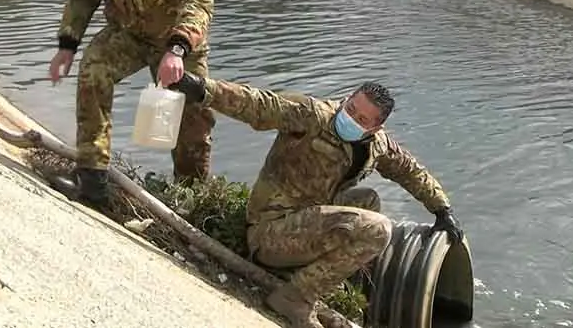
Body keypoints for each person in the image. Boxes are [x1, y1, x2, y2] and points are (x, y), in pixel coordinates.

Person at [169, 72, 464, 328]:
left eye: (361, 119)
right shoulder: (311, 115)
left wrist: (441, 208)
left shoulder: (377, 145)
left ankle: (318, 281)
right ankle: (294, 298)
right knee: (377, 229)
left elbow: (408, 169)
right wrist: (202, 88)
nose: (350, 119)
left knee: (368, 201)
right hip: (271, 232)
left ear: (374, 128)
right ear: (347, 98)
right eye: (350, 108)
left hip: (307, 226)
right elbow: (258, 104)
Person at [47, 0, 216, 207]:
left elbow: (198, 1)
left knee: (193, 118)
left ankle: (191, 200)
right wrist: (67, 45)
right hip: (128, 34)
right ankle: (92, 179)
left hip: (176, 41)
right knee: (94, 70)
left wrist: (178, 48)